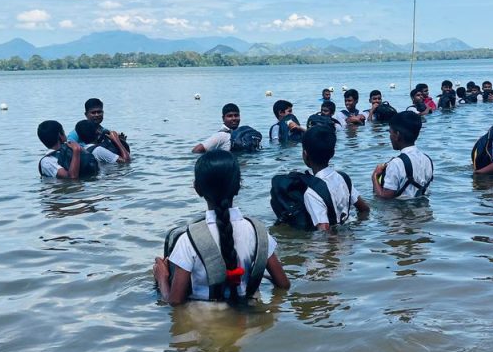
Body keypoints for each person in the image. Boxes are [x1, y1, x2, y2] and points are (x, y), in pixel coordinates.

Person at [154, 151, 290, 305]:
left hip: (205, 320)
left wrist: (162, 279)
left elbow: (175, 302)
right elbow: (284, 285)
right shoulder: (258, 232)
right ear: (239, 186)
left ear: (197, 189)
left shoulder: (188, 240)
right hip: (249, 318)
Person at [301, 126, 369, 230]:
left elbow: (324, 230)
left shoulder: (312, 193)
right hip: (348, 241)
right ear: (333, 153)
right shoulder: (343, 178)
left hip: (334, 243)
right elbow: (364, 209)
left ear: (305, 155)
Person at [372, 111, 434, 199]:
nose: (390, 136)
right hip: (424, 211)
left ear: (397, 135)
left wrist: (374, 176)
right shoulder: (427, 160)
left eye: (390, 132)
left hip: (401, 212)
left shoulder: (396, 164)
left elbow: (384, 198)